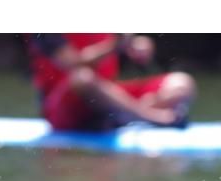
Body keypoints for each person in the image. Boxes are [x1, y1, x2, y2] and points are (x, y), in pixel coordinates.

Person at [26, 33, 196, 131]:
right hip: (63, 107)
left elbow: (125, 42)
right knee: (83, 77)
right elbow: (74, 64)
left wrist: (139, 45)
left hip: (108, 96)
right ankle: (149, 117)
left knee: (181, 83)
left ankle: (123, 117)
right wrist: (113, 46)